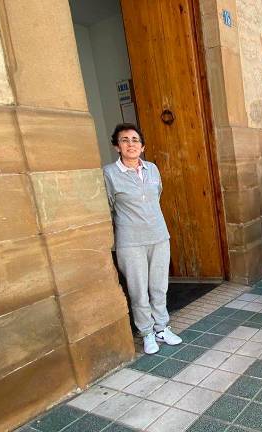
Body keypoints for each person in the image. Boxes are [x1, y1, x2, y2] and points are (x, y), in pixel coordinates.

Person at [102, 123, 182, 355]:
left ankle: (161, 327)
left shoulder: (152, 168)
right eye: (124, 140)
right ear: (117, 146)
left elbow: (157, 195)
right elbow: (108, 206)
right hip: (130, 241)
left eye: (135, 140)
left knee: (159, 286)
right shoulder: (109, 173)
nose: (130, 144)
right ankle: (146, 332)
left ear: (142, 145)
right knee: (138, 289)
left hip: (159, 236)